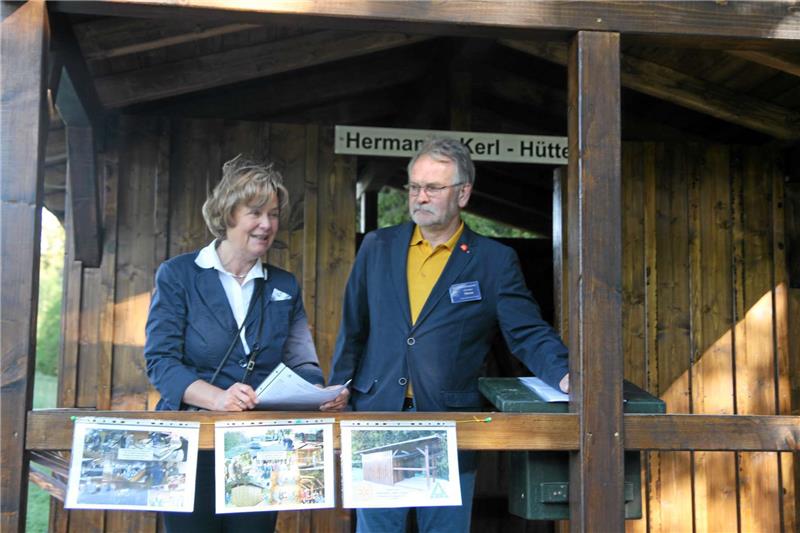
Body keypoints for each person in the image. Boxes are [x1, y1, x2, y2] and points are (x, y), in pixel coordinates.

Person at [329, 138, 569, 533]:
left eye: (433, 187)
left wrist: (565, 374)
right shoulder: (377, 246)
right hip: (380, 416)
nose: (420, 197)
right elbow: (354, 329)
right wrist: (338, 389)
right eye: (414, 186)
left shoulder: (493, 261)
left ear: (463, 193)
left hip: (449, 421)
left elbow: (526, 332)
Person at [144, 155, 346, 532]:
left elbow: (302, 363)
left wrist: (318, 394)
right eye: (255, 212)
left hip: (259, 449)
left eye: (274, 214)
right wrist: (217, 398)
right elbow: (161, 362)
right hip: (191, 442)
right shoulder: (178, 275)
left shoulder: (284, 285)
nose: (267, 224)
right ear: (227, 214)